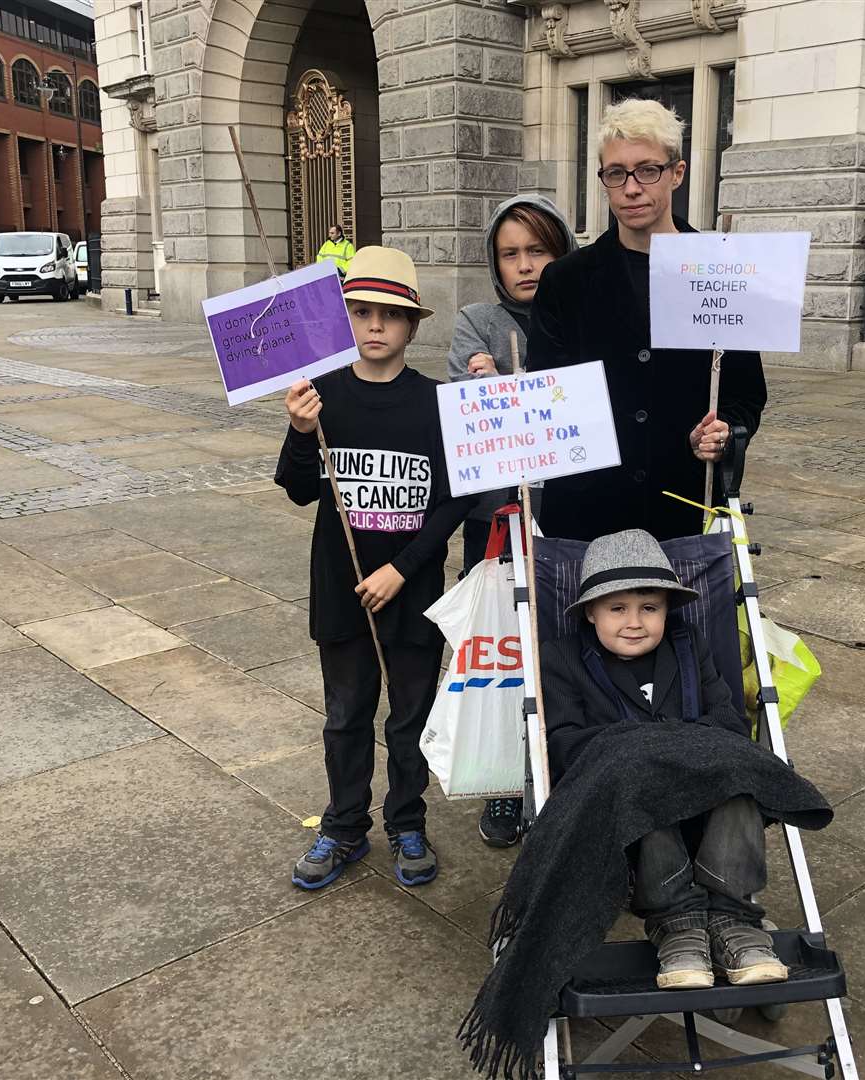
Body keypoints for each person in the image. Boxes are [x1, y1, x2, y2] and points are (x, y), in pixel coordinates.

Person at [275, 246, 474, 891]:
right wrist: (303, 432)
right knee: (346, 713)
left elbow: (453, 502)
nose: (375, 327)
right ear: (344, 321)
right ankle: (342, 825)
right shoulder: (321, 396)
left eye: (390, 315)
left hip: (410, 593)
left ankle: (407, 819)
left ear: (412, 326)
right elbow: (298, 487)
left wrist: (402, 568)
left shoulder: (434, 403)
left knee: (410, 715)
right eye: (361, 313)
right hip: (341, 590)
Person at [540, 529, 790, 990]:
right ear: (591, 612)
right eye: (617, 608)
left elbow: (727, 720)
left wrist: (676, 751)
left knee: (741, 768)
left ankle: (734, 918)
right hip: (624, 816)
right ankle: (676, 921)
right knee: (644, 777)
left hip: (706, 799)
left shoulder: (687, 646)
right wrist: (656, 749)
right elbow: (564, 746)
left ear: (667, 610)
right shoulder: (562, 658)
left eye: (649, 608)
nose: (634, 621)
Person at [527, 98, 767, 541]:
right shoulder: (565, 280)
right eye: (616, 173)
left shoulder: (720, 269)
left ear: (676, 173)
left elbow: (745, 393)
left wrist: (724, 432)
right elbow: (546, 390)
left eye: (647, 170)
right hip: (589, 510)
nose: (631, 187)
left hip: (682, 503)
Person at [446, 194, 576, 852]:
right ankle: (504, 773)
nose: (525, 265)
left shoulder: (581, 317)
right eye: (511, 253)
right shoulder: (475, 320)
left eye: (538, 250)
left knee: (564, 641)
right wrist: (491, 391)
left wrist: (510, 391)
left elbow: (586, 405)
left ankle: (558, 765)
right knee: (502, 647)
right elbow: (467, 420)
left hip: (571, 512)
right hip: (497, 519)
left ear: (560, 252)